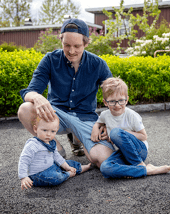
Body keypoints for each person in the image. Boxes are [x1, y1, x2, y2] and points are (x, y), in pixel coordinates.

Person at [18, 18, 115, 167]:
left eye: (77, 46)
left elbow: (113, 96)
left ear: (86, 43)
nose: (71, 51)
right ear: (61, 40)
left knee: (103, 159)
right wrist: (37, 97)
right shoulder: (50, 59)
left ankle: (77, 137)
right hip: (56, 116)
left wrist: (106, 123)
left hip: (85, 118)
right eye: (66, 45)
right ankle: (55, 149)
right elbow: (30, 92)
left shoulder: (98, 64)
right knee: (25, 109)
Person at [91, 77, 170, 179]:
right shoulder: (105, 115)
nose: (117, 105)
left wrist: (125, 133)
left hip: (138, 151)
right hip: (122, 152)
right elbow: (98, 122)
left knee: (115, 132)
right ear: (105, 102)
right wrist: (95, 128)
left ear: (126, 100)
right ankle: (147, 170)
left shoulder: (131, 115)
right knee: (105, 168)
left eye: (121, 100)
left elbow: (143, 136)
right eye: (112, 101)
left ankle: (139, 164)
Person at [18, 115, 91, 189]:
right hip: (38, 175)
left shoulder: (51, 143)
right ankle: (68, 174)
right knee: (56, 178)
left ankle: (79, 168)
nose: (48, 134)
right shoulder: (33, 144)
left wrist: (67, 167)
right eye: (44, 130)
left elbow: (57, 157)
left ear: (56, 130)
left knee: (68, 162)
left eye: (52, 131)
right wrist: (23, 177)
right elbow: (23, 160)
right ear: (36, 129)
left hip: (52, 166)